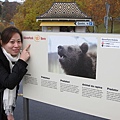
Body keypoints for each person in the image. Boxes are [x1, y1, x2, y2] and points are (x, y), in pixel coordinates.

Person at [0, 26, 30, 120]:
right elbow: (9, 83)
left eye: (19, 41)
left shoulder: (12, 60)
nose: (16, 45)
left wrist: (8, 112)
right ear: (2, 43)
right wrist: (22, 61)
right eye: (12, 42)